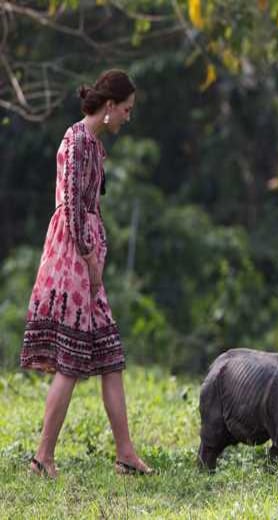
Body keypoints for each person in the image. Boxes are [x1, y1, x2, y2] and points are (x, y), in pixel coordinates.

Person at [20, 69, 152, 478]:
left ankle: (126, 454)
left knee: (110, 357)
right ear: (109, 106)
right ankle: (43, 457)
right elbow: (74, 207)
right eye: (126, 110)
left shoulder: (93, 145)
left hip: (88, 251)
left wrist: (99, 251)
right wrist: (89, 255)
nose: (128, 118)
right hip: (74, 255)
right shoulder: (77, 141)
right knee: (72, 360)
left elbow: (89, 206)